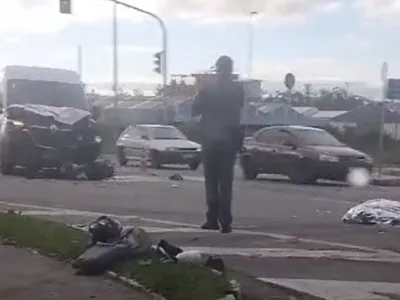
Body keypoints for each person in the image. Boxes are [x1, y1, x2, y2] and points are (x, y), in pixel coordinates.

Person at [192, 55, 245, 234]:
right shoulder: (238, 89)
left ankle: (212, 219)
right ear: (231, 69)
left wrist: (200, 89)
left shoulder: (208, 88)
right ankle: (226, 222)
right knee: (226, 183)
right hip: (229, 139)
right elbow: (239, 108)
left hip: (210, 140)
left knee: (211, 182)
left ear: (217, 68)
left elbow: (195, 110)